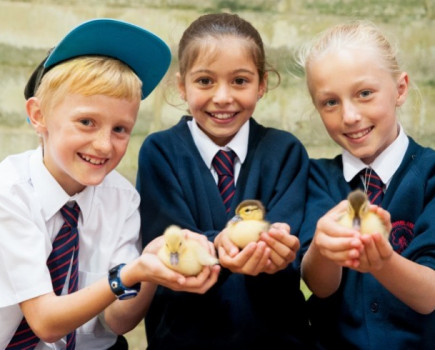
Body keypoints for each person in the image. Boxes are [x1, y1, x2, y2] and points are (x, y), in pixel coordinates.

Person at [0, 18, 220, 350]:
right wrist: (126, 275)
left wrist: (147, 267)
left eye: (120, 129)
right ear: (38, 115)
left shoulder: (122, 199)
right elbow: (45, 322)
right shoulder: (10, 191)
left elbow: (117, 320)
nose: (104, 145)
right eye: (86, 122)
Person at [136, 12, 312, 350]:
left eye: (240, 81)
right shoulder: (160, 152)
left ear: (262, 84)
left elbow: (287, 244)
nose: (222, 97)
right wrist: (225, 244)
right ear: (181, 85)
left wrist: (272, 249)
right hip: (182, 339)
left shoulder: (285, 152)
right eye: (205, 81)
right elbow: (171, 247)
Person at [297, 20, 435, 349]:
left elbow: (429, 295)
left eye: (364, 94)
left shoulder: (431, 174)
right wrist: (322, 246)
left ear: (400, 89)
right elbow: (320, 285)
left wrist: (383, 262)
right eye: (330, 102)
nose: (349, 116)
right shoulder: (315, 177)